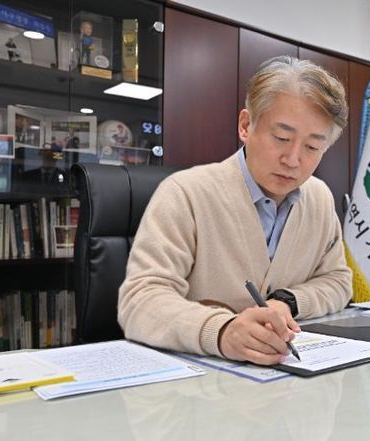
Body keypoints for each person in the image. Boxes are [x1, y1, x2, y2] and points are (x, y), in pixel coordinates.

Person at [118, 56, 352, 365]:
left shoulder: (319, 197)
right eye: (281, 138)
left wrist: (286, 302)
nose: (293, 160)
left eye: (312, 147)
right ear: (245, 125)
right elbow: (140, 301)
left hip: (285, 380)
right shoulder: (185, 193)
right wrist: (221, 331)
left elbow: (337, 281)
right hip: (197, 382)